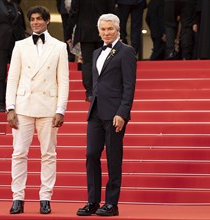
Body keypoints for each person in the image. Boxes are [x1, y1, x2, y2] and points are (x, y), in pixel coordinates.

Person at [6, 6, 69, 215]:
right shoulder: (20, 45)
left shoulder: (59, 47)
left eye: (39, 19)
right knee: (19, 153)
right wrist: (10, 107)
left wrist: (61, 109)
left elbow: (64, 81)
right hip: (23, 105)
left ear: (47, 21)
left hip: (48, 107)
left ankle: (45, 198)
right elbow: (12, 78)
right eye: (32, 19)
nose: (35, 22)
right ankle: (17, 197)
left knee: (48, 154)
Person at [76, 13, 136, 217]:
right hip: (95, 112)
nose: (106, 33)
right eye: (103, 29)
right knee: (91, 155)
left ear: (118, 29)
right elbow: (97, 83)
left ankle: (112, 204)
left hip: (114, 114)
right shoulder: (95, 53)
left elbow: (129, 85)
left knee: (113, 158)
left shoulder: (126, 52)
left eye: (110, 29)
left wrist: (123, 112)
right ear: (98, 30)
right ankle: (93, 201)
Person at [66, 0, 116, 102]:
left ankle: (89, 92)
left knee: (88, 63)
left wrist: (68, 32)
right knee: (104, 61)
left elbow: (73, 13)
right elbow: (112, 13)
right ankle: (102, 90)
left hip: (85, 31)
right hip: (103, 31)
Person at [0, 0, 25, 112]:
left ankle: (14, 101)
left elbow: (21, 26)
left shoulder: (15, 5)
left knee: (16, 74)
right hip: (0, 44)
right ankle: (0, 103)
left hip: (16, 44)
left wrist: (23, 44)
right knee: (1, 73)